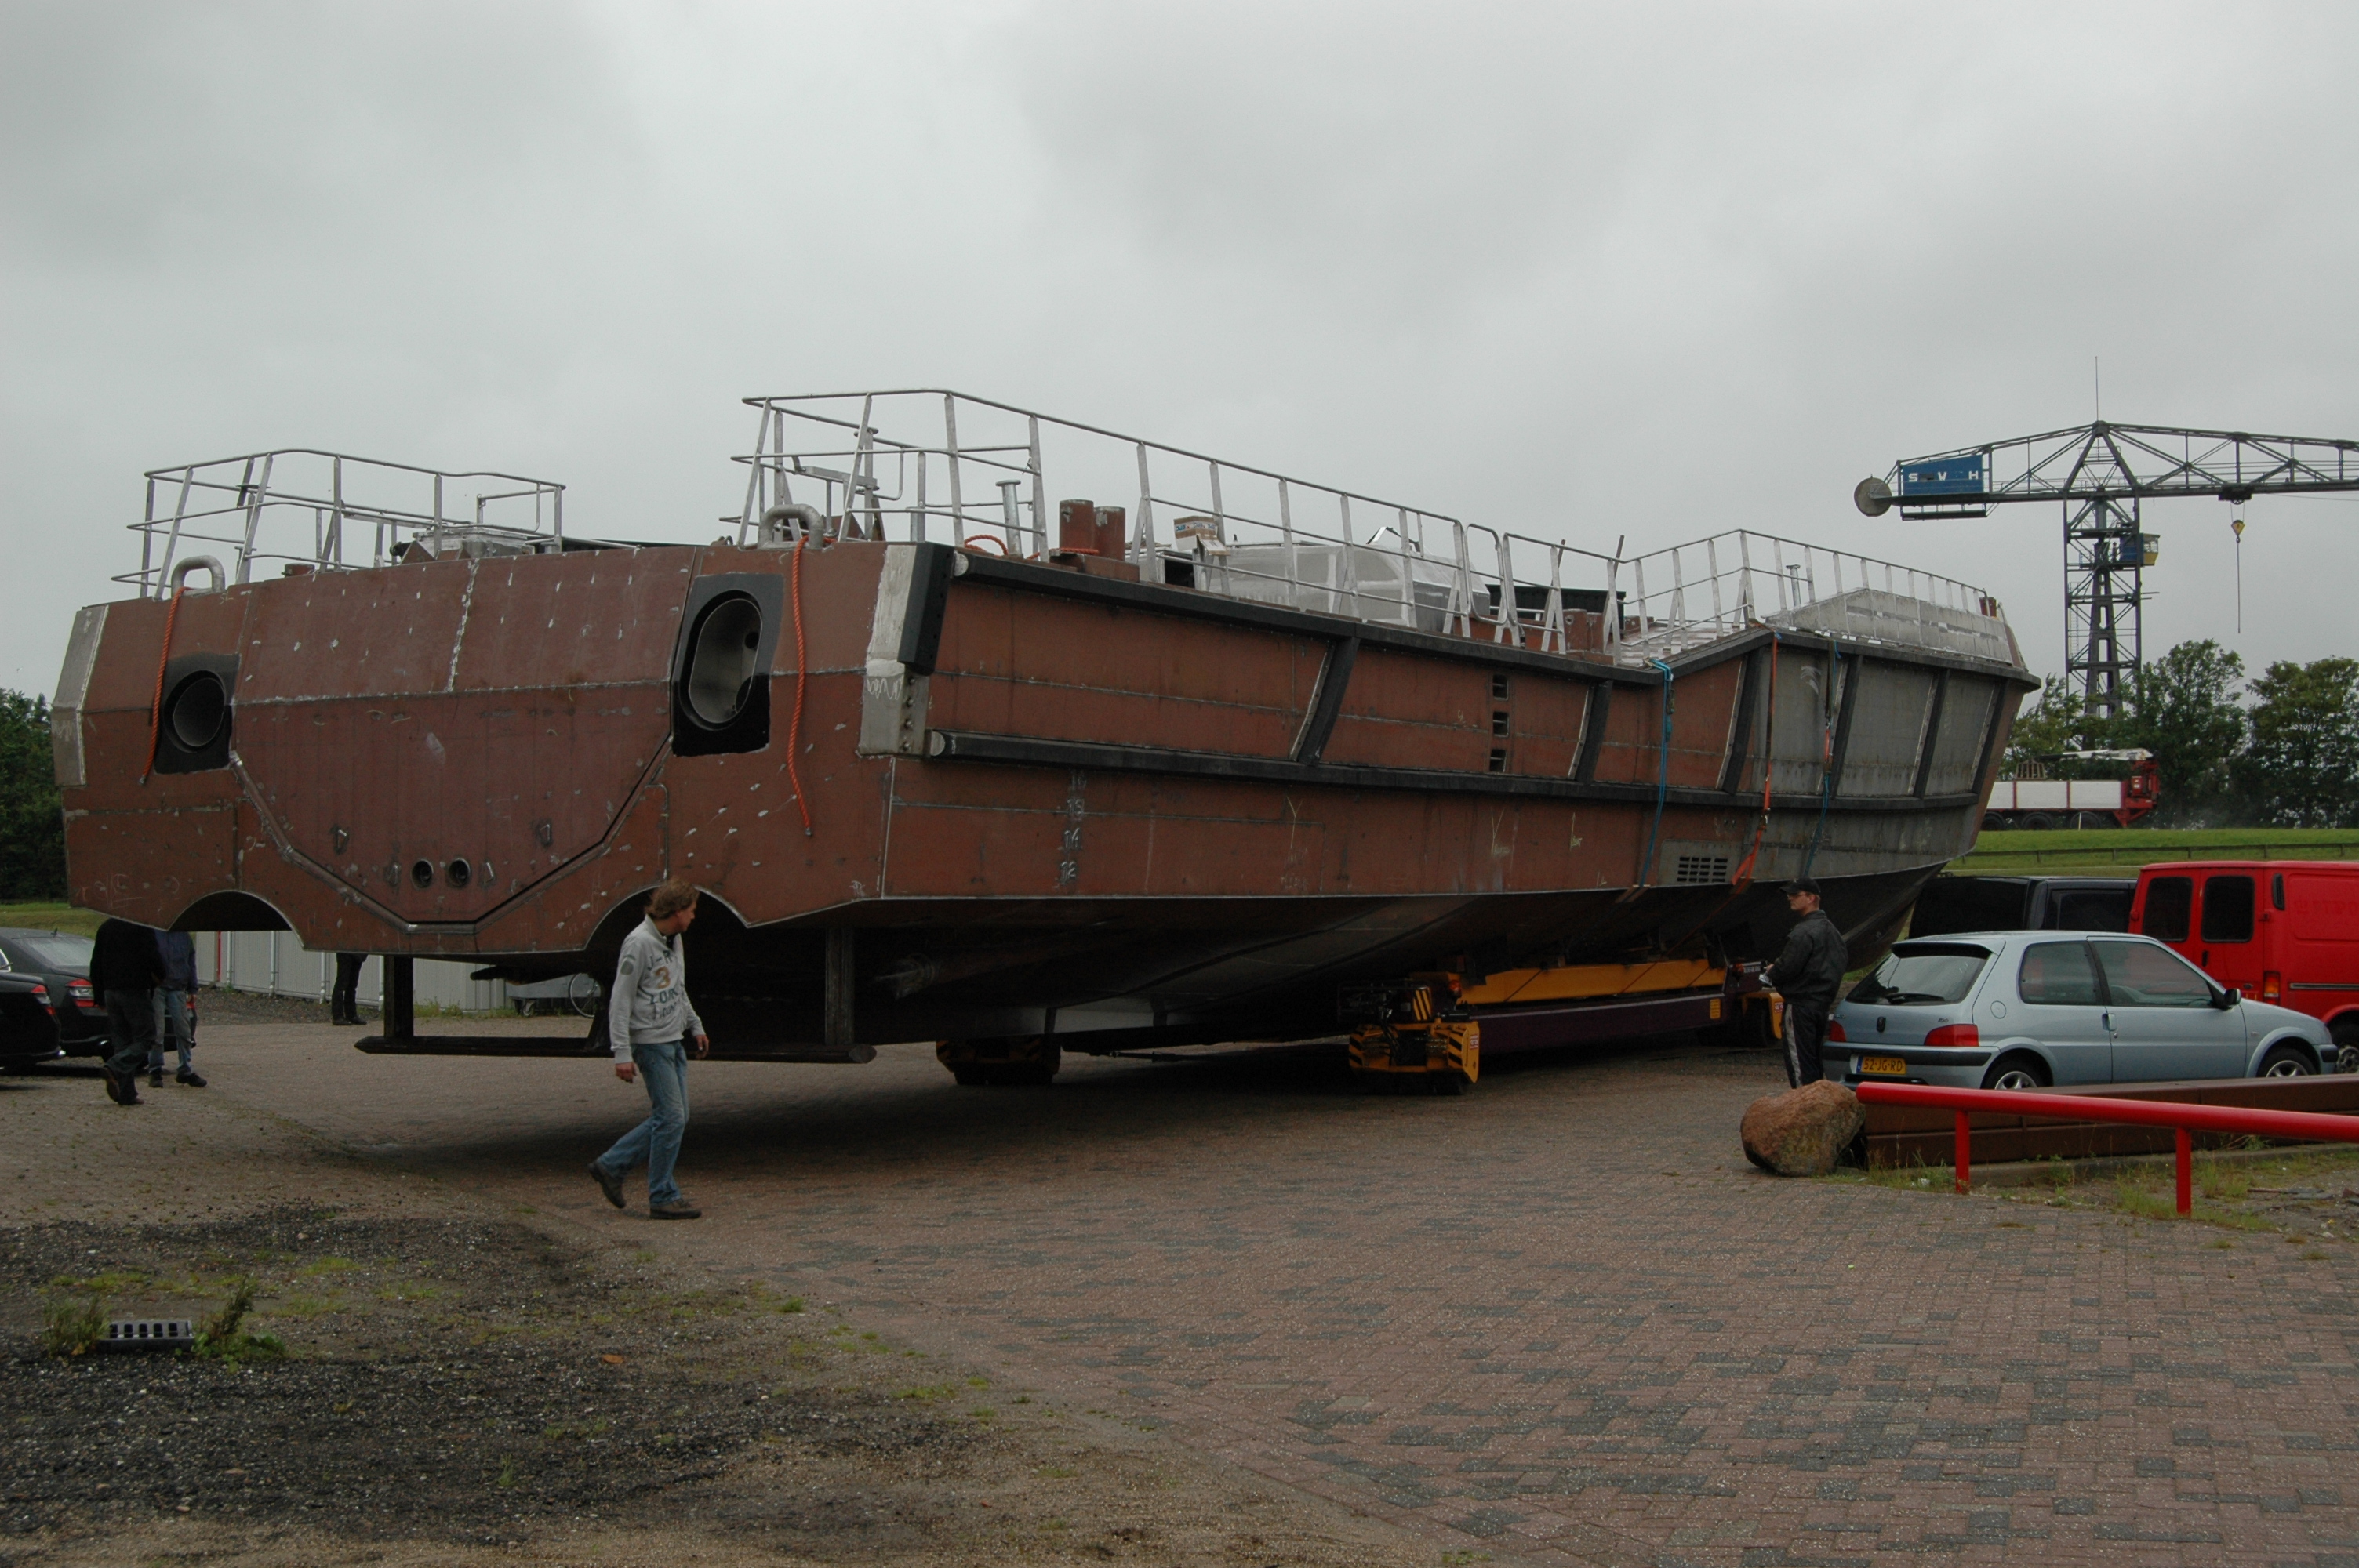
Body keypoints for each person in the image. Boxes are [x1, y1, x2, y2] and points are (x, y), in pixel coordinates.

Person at [587, 880, 711, 1219]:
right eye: (691, 911)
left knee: (674, 1117)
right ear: (676, 912)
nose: (693, 917)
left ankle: (612, 1166)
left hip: (672, 1039)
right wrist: (622, 1053)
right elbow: (621, 999)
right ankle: (662, 1194)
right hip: (651, 1042)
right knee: (671, 1117)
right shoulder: (639, 943)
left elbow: (677, 986)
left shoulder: (673, 940)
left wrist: (695, 1024)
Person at [1765, 875, 1847, 1087]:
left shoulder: (1803, 932)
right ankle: (1817, 1100)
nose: (1790, 898)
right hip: (1822, 1006)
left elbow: (1787, 968)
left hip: (1800, 1006)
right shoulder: (1833, 931)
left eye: (1795, 894)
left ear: (1811, 898)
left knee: (1800, 1063)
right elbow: (1839, 964)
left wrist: (1773, 972)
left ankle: (1804, 1102)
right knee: (1814, 1063)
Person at [89, 916, 166, 1105]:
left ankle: (127, 1094)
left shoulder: (106, 927)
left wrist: (99, 995)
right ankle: (114, 1067)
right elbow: (153, 957)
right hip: (134, 990)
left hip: (110, 992)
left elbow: (96, 962)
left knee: (122, 1042)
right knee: (146, 1037)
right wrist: (161, 976)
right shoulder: (142, 927)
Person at [148, 928, 205, 1088]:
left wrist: (193, 987)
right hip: (157, 987)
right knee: (158, 1031)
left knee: (184, 1031)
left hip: (178, 986)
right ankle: (155, 1069)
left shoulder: (183, 935)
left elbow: (191, 961)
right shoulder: (153, 933)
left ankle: (185, 1069)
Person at [329, 952, 367, 1026]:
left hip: (357, 953)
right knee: (342, 983)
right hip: (346, 952)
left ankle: (351, 1015)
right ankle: (338, 1016)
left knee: (352, 984)